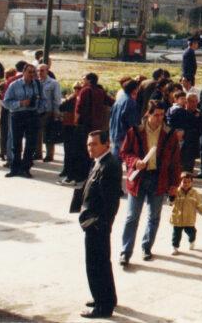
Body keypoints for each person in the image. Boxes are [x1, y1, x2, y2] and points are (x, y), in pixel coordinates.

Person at [119, 101, 182, 266]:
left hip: (159, 178)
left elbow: (175, 161)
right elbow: (124, 152)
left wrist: (175, 184)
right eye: (156, 115)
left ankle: (147, 247)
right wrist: (135, 161)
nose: (160, 118)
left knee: (154, 216)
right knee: (132, 217)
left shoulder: (170, 133)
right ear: (148, 113)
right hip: (139, 178)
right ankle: (125, 252)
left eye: (162, 115)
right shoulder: (135, 131)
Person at [79, 130, 122, 319]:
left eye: (94, 144)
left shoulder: (109, 165)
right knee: (101, 263)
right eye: (89, 144)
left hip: (97, 224)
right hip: (95, 222)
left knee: (96, 264)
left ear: (106, 144)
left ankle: (103, 306)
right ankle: (105, 298)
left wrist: (99, 224)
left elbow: (110, 201)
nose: (90, 148)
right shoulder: (100, 161)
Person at [3, 64, 41, 178]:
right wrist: (20, 103)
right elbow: (6, 102)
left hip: (32, 115)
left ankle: (26, 168)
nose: (32, 75)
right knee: (16, 143)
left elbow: (43, 99)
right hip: (18, 114)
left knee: (30, 144)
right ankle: (14, 168)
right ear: (23, 72)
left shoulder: (37, 84)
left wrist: (39, 109)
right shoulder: (15, 85)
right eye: (30, 72)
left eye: (34, 72)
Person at [169, 172, 202, 254]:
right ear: (180, 182)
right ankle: (174, 247)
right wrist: (171, 198)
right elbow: (170, 203)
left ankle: (192, 241)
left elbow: (199, 204)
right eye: (184, 182)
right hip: (177, 218)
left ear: (191, 183)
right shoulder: (177, 191)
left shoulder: (195, 193)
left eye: (188, 182)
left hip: (189, 219)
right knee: (176, 235)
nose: (186, 184)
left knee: (192, 232)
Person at [36, 63, 63, 163]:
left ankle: (49, 155)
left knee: (48, 133)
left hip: (48, 111)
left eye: (42, 70)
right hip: (37, 110)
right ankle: (38, 153)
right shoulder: (35, 82)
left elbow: (57, 99)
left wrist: (56, 112)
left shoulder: (53, 83)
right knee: (37, 133)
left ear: (47, 71)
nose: (40, 72)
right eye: (38, 70)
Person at [108, 79, 142, 155]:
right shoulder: (130, 102)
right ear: (135, 89)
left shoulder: (119, 100)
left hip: (113, 134)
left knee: (116, 161)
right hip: (123, 137)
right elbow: (133, 123)